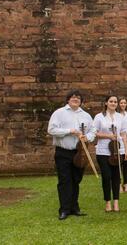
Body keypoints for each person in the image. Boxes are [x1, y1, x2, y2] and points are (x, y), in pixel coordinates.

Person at [47, 90, 95, 220]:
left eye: (78, 98)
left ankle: (74, 208)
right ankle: (64, 209)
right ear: (68, 99)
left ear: (81, 101)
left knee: (76, 180)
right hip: (63, 152)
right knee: (64, 181)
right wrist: (69, 131)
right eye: (73, 97)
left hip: (79, 153)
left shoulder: (86, 115)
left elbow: (93, 131)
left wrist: (88, 137)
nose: (76, 99)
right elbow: (51, 130)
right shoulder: (59, 113)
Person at [93, 95, 127, 212]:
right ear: (106, 103)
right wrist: (108, 136)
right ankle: (108, 202)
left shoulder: (120, 117)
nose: (113, 103)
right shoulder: (99, 117)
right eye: (111, 101)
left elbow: (123, 134)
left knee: (116, 176)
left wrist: (126, 150)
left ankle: (116, 203)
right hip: (103, 151)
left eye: (115, 102)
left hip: (118, 150)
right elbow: (94, 133)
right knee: (107, 176)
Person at [118, 97, 127, 193]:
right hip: (117, 142)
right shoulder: (116, 115)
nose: (123, 104)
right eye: (121, 103)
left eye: (124, 103)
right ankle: (118, 183)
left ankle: (126, 183)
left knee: (126, 163)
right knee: (118, 163)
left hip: (126, 141)